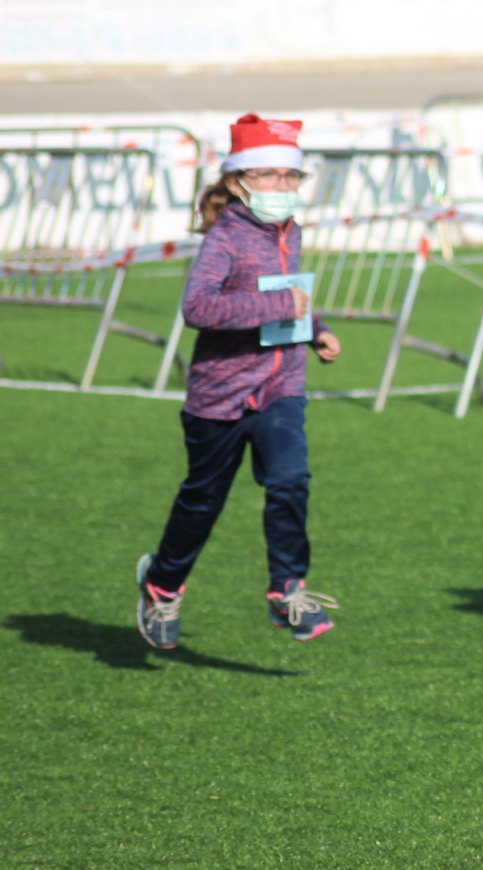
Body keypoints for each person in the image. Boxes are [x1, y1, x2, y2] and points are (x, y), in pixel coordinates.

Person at [135, 114, 343, 650]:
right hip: (220, 396)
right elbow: (198, 307)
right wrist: (281, 305)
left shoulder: (289, 230)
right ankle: (161, 584)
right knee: (203, 504)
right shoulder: (225, 237)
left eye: (291, 177)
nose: (283, 187)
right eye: (270, 175)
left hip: (281, 384)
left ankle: (287, 591)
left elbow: (287, 293)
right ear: (237, 181)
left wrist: (314, 330)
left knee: (290, 480)